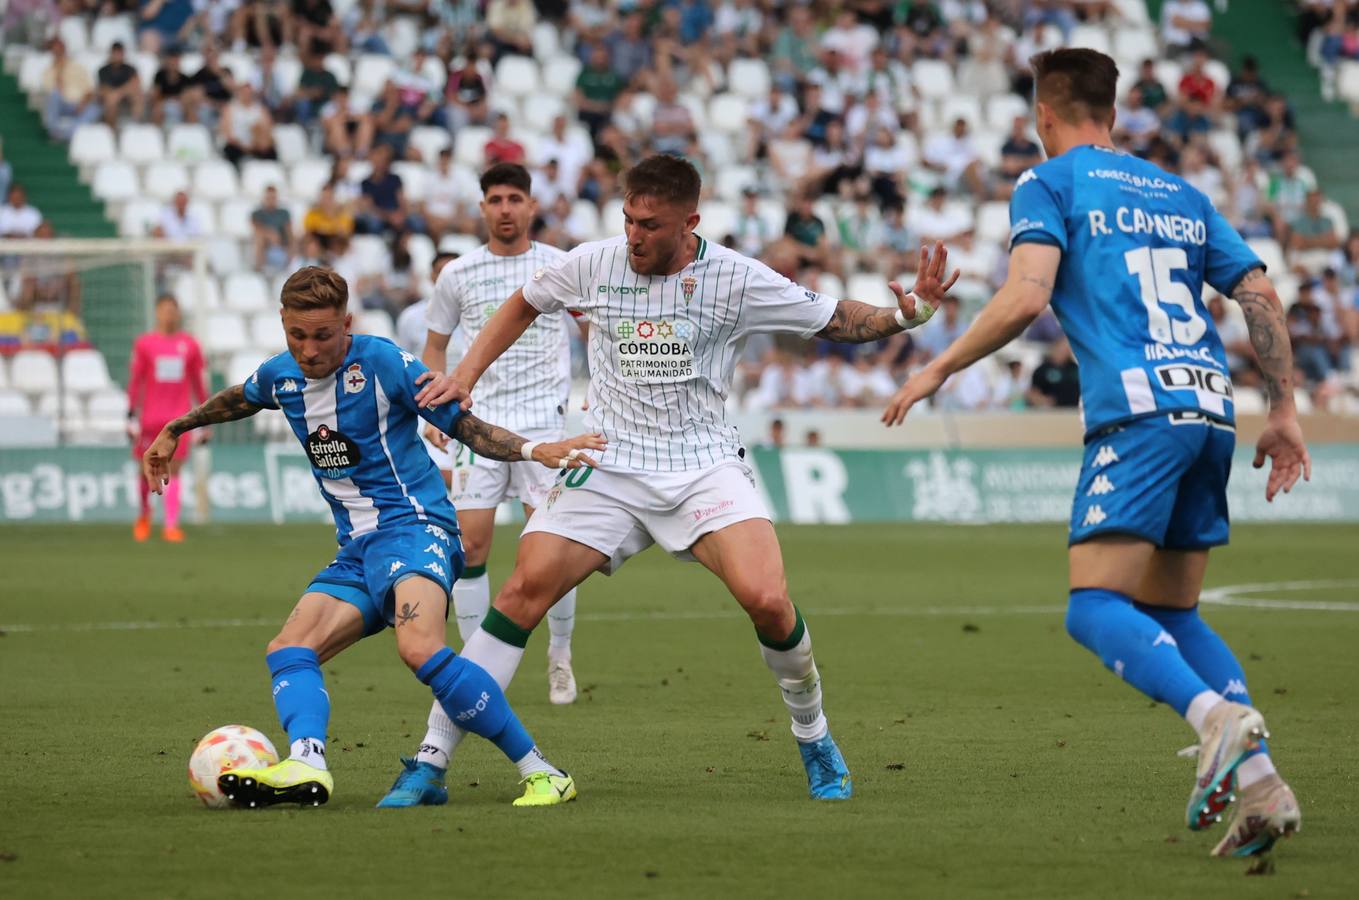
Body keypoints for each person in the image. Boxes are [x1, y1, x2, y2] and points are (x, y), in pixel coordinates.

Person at [414, 154, 959, 802]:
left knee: (768, 600)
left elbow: (833, 319)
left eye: (649, 224)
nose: (634, 236)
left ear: (688, 221)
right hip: (610, 460)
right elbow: (523, 303)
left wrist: (905, 316)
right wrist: (465, 378)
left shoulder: (733, 276)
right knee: (520, 592)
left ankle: (813, 736)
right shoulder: (594, 262)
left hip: (701, 463)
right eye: (627, 220)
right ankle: (429, 761)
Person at [882, 48, 1308, 858]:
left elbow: (1027, 292)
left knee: (1093, 606)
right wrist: (1282, 407)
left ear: (1042, 114)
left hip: (1139, 414)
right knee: (1173, 613)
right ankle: (1261, 788)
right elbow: (1257, 292)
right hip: (1211, 411)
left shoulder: (1049, 181)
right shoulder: (1180, 192)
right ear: (1109, 109)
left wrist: (936, 364)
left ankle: (1214, 721)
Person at [141, 266, 603, 809]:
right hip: (357, 550)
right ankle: (308, 762)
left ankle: (541, 771)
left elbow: (464, 426)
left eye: (322, 335)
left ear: (347, 324)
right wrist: (176, 428)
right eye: (297, 335)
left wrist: (534, 450)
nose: (309, 350)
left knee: (420, 648)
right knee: (289, 648)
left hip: (416, 531)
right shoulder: (282, 375)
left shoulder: (383, 363)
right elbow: (240, 397)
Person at [416, 163, 584, 725]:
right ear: (482, 208)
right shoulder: (458, 274)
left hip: (544, 424)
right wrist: (432, 405)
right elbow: (435, 346)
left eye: (515, 197)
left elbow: (595, 330)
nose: (506, 207)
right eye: (495, 198)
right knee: (471, 547)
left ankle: (559, 656)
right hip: (477, 423)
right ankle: (477, 669)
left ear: (532, 207)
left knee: (552, 548)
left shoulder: (561, 266)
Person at [127, 295, 207, 543]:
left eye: (173, 310)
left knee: (174, 469)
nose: (169, 315)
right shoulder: (145, 344)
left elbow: (197, 382)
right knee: (145, 470)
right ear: (157, 313)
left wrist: (205, 417)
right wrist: (130, 412)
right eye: (164, 310)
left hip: (179, 419)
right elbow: (136, 379)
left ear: (178, 313)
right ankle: (144, 515)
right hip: (150, 418)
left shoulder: (190, 345)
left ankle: (171, 524)